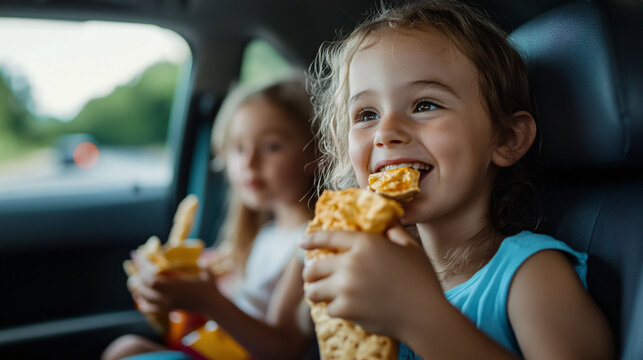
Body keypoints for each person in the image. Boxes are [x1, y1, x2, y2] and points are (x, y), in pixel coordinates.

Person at [301, 1, 614, 359]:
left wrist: (419, 317)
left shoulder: (531, 276)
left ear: (507, 138)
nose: (386, 133)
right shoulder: (372, 280)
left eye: (425, 105)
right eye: (367, 114)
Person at [102, 74, 317, 360]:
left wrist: (208, 300)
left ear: (315, 153)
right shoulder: (264, 234)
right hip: (214, 347)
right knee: (125, 348)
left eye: (271, 147)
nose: (249, 163)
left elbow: (283, 348)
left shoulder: (309, 241)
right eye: (238, 149)